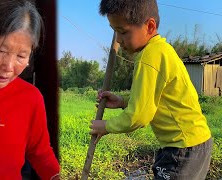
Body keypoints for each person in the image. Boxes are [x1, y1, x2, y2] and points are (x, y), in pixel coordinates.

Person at [89, 0, 212, 179]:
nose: (118, 40)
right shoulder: (162, 50)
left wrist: (106, 126)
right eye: (114, 31)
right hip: (196, 144)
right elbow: (154, 97)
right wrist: (124, 100)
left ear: (150, 26)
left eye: (122, 32)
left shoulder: (149, 57)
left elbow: (139, 116)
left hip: (182, 149)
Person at [0, 0, 60, 179]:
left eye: (21, 56)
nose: (8, 66)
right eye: (0, 51)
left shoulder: (30, 98)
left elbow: (41, 154)